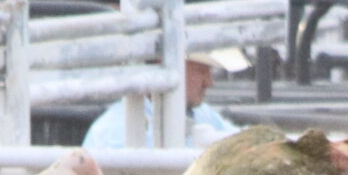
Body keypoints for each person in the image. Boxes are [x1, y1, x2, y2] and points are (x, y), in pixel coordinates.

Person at [81, 48, 243, 148]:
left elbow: (243, 140)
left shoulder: (201, 114)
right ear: (165, 67)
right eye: (200, 71)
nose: (209, 82)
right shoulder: (115, 132)